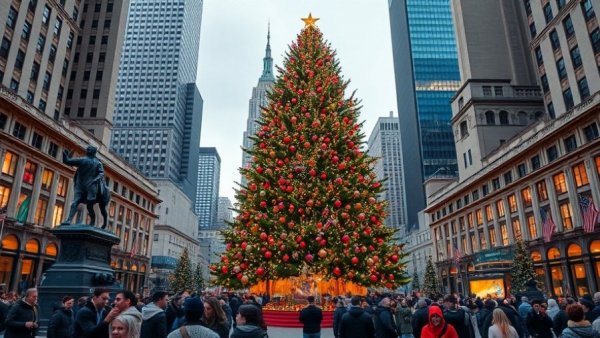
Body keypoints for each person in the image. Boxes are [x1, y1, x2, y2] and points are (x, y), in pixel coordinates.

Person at [61, 146, 109, 228]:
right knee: (75, 202)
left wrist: (95, 180)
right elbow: (67, 161)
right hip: (81, 185)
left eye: (89, 150)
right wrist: (65, 153)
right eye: (87, 149)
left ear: (92, 152)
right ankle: (69, 220)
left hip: (91, 186)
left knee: (92, 206)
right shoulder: (83, 160)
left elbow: (101, 173)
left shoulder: (97, 163)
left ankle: (102, 221)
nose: (87, 150)